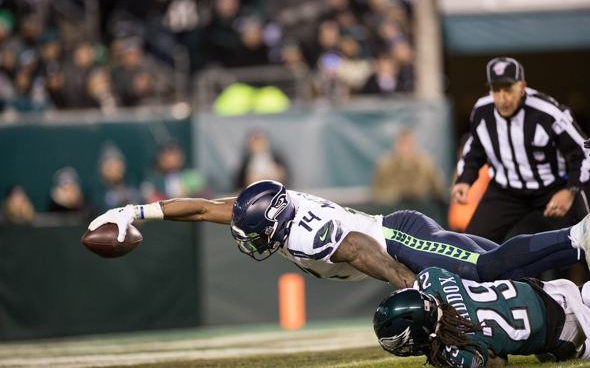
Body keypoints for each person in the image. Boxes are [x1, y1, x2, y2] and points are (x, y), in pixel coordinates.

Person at [90, 180, 590, 290]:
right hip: (394, 241)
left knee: (485, 270)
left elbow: (364, 253)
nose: (245, 241)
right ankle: (562, 303)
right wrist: (132, 211)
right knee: (498, 268)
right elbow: (200, 208)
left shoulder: (306, 236)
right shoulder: (267, 213)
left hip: (400, 240)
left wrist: (421, 295)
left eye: (252, 235)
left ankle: (578, 238)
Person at [452, 57, 590, 244]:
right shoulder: (482, 111)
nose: (502, 99)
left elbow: (584, 152)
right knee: (468, 247)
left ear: (522, 87)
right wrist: (464, 179)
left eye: (508, 90)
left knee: (586, 242)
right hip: (505, 191)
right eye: (496, 90)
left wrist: (570, 190)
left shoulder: (548, 112)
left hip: (553, 187)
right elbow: (475, 148)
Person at [374, 266, 590, 367]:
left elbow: (500, 362)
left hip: (561, 331)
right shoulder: (431, 277)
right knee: (583, 294)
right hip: (544, 290)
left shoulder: (457, 353)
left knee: (549, 357)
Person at [371, 128, 445, 204]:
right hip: (393, 209)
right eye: (401, 144)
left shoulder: (426, 163)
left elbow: (438, 190)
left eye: (408, 144)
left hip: (421, 208)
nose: (405, 148)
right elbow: (376, 192)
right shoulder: (385, 164)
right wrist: (397, 195)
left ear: (414, 144)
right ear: (395, 145)